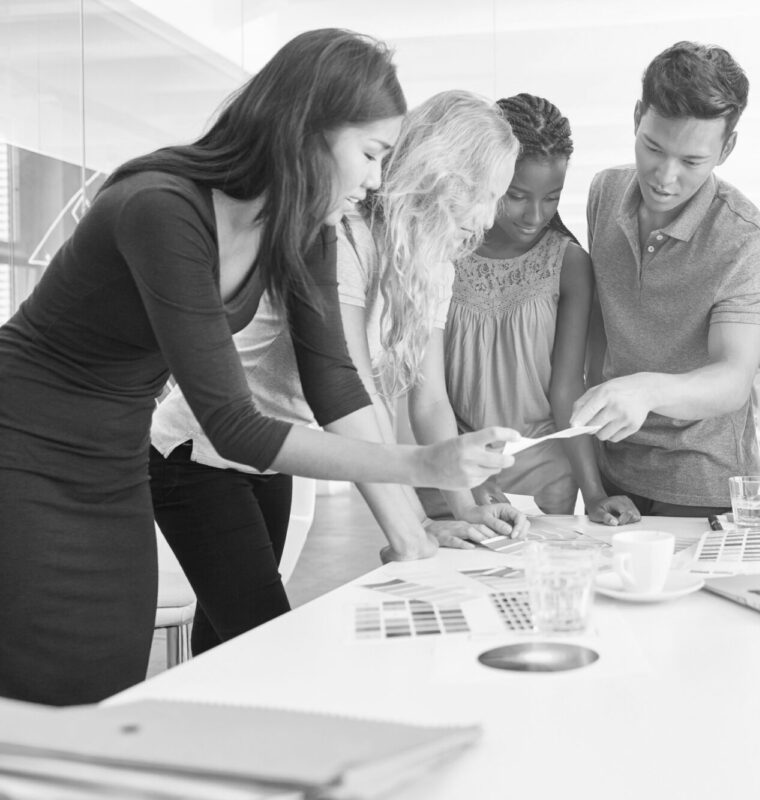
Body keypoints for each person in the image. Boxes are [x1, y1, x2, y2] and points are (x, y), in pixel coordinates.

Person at [0, 29, 515, 706]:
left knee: (112, 678)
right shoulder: (161, 207)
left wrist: (415, 535)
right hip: (25, 446)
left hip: (114, 459)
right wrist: (422, 467)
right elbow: (234, 424)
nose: (375, 179)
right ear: (305, 130)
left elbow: (336, 382)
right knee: (51, 685)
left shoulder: (304, 228)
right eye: (368, 154)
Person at [150, 90, 527, 656]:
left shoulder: (432, 264)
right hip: (199, 454)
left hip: (277, 454)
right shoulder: (341, 237)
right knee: (265, 640)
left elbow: (429, 401)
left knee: (227, 642)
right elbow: (351, 391)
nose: (490, 217)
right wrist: (409, 532)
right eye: (487, 195)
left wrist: (466, 506)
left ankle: (207, 738)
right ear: (444, 178)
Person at [570, 42, 760, 517]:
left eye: (691, 162)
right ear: (638, 116)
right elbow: (602, 332)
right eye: (653, 148)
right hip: (614, 467)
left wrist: (645, 391)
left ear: (726, 148)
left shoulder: (744, 240)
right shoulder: (604, 192)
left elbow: (733, 380)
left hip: (700, 480)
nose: (664, 177)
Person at [430, 93, 639, 524]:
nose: (534, 215)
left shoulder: (569, 265)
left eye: (552, 198)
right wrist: (466, 468)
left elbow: (566, 388)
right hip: (452, 457)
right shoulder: (443, 253)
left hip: (544, 466)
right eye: (517, 195)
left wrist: (595, 494)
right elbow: (428, 394)